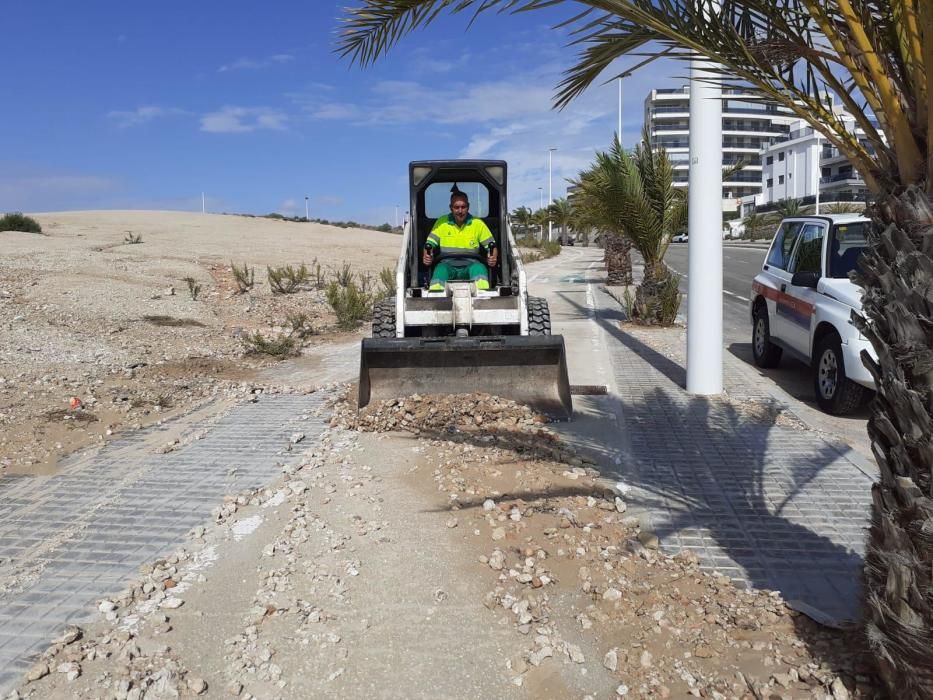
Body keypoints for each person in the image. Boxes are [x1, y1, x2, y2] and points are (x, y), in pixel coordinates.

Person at [422, 190, 498, 291]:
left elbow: (492, 247)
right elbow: (429, 244)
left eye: (463, 207)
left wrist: (493, 257)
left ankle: (483, 300)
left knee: (479, 269)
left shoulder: (478, 224)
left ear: (468, 207)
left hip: (471, 266)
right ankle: (435, 302)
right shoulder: (441, 222)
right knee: (440, 270)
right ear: (451, 208)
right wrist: (427, 256)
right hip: (447, 265)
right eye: (456, 207)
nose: (460, 211)